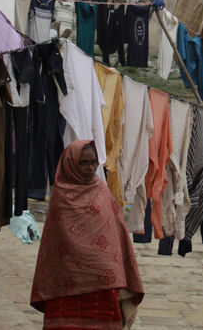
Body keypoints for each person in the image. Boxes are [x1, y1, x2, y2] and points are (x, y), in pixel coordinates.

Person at [31, 140, 143, 329]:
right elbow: (53, 243)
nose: (90, 168)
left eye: (94, 162)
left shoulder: (102, 191)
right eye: (84, 163)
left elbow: (118, 235)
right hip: (66, 281)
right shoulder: (60, 195)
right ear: (71, 163)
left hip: (103, 284)